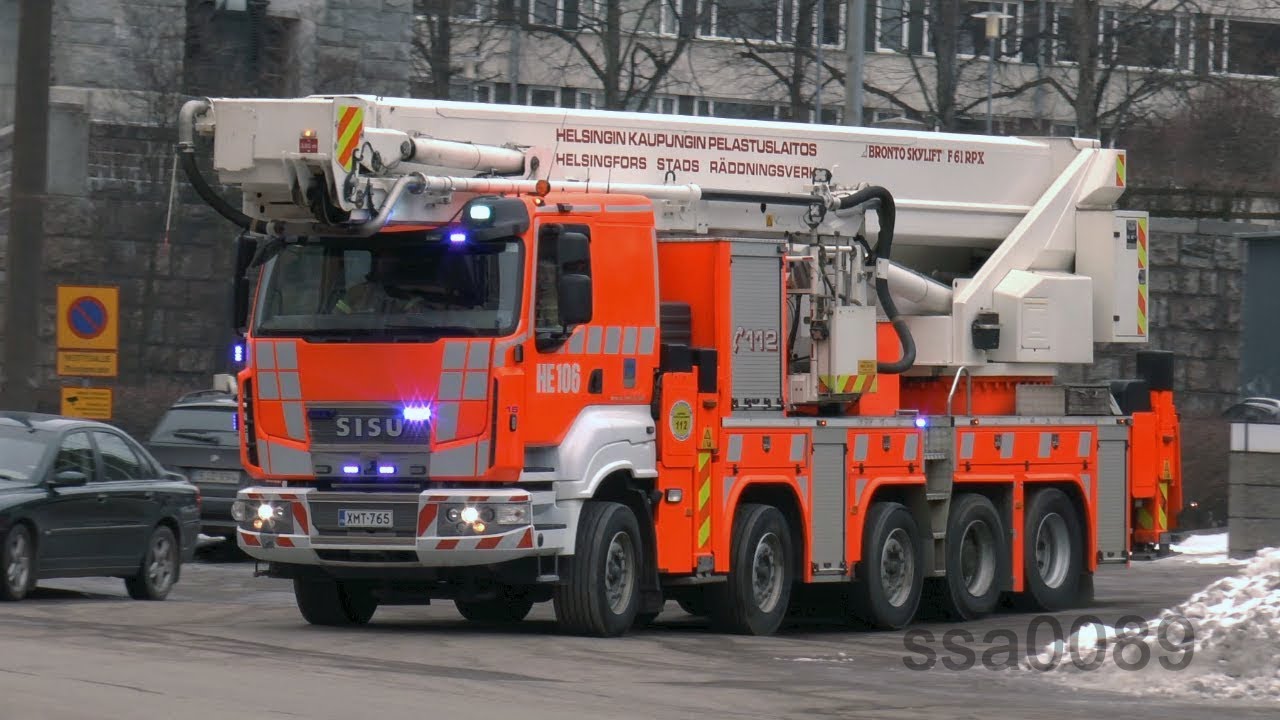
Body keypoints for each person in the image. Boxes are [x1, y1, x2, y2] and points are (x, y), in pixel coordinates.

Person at [332, 253, 424, 314]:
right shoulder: (356, 291)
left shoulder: (407, 297)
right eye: (383, 263)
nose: (386, 267)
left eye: (390, 264)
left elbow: (410, 323)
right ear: (376, 266)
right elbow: (337, 315)